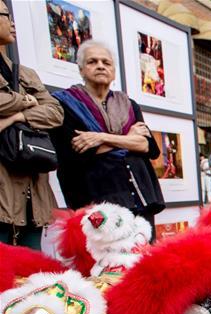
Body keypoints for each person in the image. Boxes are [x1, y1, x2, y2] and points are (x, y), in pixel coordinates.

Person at [52, 40, 164, 227]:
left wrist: (101, 137)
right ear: (81, 69)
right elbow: (76, 153)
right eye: (92, 62)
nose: (100, 66)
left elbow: (149, 147)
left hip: (139, 197)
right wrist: (128, 139)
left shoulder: (128, 104)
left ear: (113, 71)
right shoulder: (65, 104)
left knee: (143, 253)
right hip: (94, 198)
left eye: (106, 62)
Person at [0, 1, 64, 248]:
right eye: (6, 15)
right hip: (4, 185)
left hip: (32, 190)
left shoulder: (26, 73)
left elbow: (55, 112)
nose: (13, 23)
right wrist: (25, 100)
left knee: (32, 271)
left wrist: (17, 116)